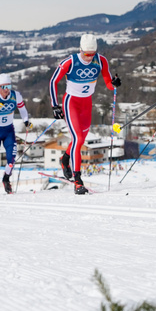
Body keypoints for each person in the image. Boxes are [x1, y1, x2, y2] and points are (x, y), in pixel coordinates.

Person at [49, 34, 120, 194]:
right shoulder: (70, 61)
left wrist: (113, 84)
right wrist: (55, 105)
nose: (89, 58)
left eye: (92, 54)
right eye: (86, 54)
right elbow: (53, 81)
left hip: (87, 103)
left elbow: (108, 82)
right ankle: (77, 181)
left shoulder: (101, 61)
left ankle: (65, 159)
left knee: (80, 140)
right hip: (71, 103)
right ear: (80, 50)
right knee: (78, 139)